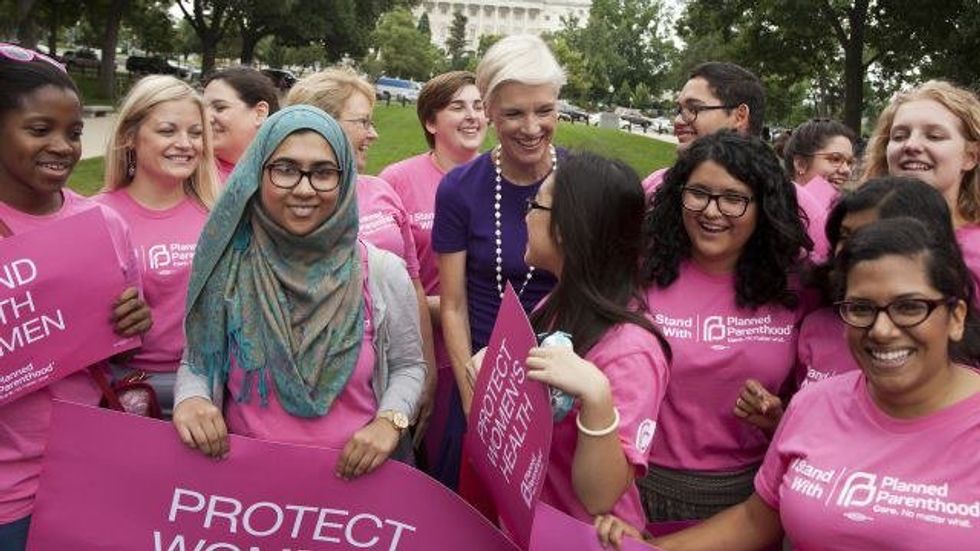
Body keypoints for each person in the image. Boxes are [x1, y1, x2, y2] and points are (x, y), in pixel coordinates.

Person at [597, 217, 980, 550]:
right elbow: (757, 518)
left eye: (909, 307)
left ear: (957, 316)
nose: (881, 330)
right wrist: (649, 548)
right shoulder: (814, 404)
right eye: (861, 308)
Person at [171, 105, 426, 480]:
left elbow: (408, 365)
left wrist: (390, 421)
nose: (304, 189)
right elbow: (197, 361)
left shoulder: (381, 272)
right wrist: (191, 398)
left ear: (344, 179)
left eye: (323, 172)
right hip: (246, 486)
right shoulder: (228, 268)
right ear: (258, 173)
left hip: (357, 492)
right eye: (286, 170)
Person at [0, 43, 150, 550]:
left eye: (75, 132)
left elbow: (120, 348)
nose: (64, 146)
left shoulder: (102, 223)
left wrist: (131, 325)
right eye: (40, 130)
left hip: (87, 468)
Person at [638, 131, 812, 525]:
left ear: (763, 206)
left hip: (749, 501)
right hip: (637, 487)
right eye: (698, 193)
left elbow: (824, 405)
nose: (711, 212)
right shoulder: (640, 273)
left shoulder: (797, 288)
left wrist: (779, 415)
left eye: (733, 199)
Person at [432, 34, 564, 490]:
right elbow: (452, 304)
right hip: (483, 379)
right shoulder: (460, 189)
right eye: (514, 113)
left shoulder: (578, 180)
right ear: (488, 110)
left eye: (544, 110)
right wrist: (472, 400)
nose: (531, 127)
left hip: (562, 382)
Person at [521, 151, 671, 530]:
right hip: (535, 523)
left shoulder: (631, 350)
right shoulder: (557, 300)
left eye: (534, 205)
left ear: (567, 227)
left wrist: (597, 397)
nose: (526, 215)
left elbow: (599, 496)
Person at [285, 69, 437, 440]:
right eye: (363, 122)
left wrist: (426, 370)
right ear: (320, 123)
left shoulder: (381, 191)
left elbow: (413, 286)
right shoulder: (282, 201)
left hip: (391, 373)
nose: (374, 134)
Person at [377, 70, 487, 483]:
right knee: (421, 469)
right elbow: (383, 283)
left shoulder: (499, 178)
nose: (473, 115)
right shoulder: (398, 180)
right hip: (418, 352)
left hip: (481, 349)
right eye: (458, 106)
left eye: (478, 106)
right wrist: (442, 308)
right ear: (430, 121)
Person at [96, 75, 219, 415]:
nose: (185, 143)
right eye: (168, 131)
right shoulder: (95, 217)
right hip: (126, 391)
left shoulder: (219, 214)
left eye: (196, 133)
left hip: (209, 392)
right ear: (129, 138)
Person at [645, 62, 829, 259]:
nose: (679, 121)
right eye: (679, 110)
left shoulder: (802, 209)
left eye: (694, 109)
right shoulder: (656, 185)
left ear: (740, 116)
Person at [794, 177, 958, 389]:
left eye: (871, 236)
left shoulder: (953, 345)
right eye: (845, 236)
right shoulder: (816, 324)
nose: (851, 249)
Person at [861, 80, 980, 285]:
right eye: (899, 136)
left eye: (934, 136)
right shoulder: (855, 234)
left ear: (970, 157)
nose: (911, 145)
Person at [203, 66, 279, 182]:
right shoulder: (188, 176)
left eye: (220, 108)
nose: (205, 118)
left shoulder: (285, 177)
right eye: (202, 110)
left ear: (260, 113)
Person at [782, 118, 857, 211]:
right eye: (835, 159)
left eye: (849, 162)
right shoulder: (775, 215)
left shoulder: (850, 215)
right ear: (800, 164)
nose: (847, 170)